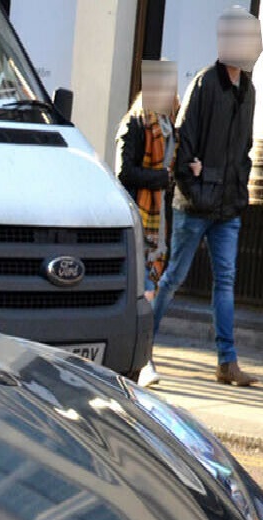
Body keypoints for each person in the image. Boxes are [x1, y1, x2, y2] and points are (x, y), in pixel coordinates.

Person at [150, 7, 262, 389]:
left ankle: (227, 363)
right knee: (173, 278)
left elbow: (244, 149)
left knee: (225, 281)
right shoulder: (204, 83)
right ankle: (140, 349)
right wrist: (195, 189)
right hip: (195, 204)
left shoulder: (248, 91)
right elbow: (184, 145)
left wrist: (239, 189)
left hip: (228, 206)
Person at [116, 60, 178, 388]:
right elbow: (123, 172)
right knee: (145, 289)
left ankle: (141, 358)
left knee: (150, 286)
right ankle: (144, 360)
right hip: (138, 215)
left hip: (158, 220)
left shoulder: (167, 127)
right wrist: (161, 178)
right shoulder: (136, 123)